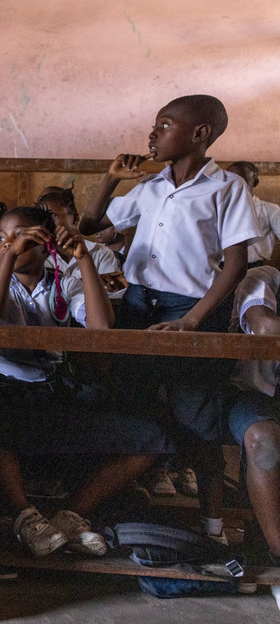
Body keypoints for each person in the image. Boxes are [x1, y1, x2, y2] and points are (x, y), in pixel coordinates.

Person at [78, 94, 259, 545]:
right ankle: (117, 509)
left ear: (199, 134)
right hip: (141, 305)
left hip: (190, 309)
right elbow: (88, 226)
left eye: (163, 125)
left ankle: (212, 527)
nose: (152, 133)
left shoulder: (227, 188)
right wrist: (110, 178)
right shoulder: (152, 186)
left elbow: (236, 264)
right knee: (129, 405)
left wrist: (196, 319)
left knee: (197, 413)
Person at [0, 206, 168, 557]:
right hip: (3, 384)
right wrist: (10, 256)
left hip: (54, 389)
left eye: (22, 240)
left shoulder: (67, 283)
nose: (8, 246)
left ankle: (69, 516)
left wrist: (84, 259)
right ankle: (26, 518)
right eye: (1, 239)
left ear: (47, 245)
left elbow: (101, 327)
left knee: (149, 438)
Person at [225, 265, 280, 567]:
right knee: (263, 440)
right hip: (253, 396)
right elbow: (267, 328)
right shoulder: (264, 278)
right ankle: (277, 549)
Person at [35, 186, 124, 292]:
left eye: (52, 216)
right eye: (42, 218)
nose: (47, 223)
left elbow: (111, 293)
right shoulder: (37, 256)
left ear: (75, 219)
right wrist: (95, 281)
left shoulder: (101, 253)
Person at [227, 161, 280, 269]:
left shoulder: (270, 210)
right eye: (229, 178)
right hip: (220, 269)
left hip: (254, 268)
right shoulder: (217, 208)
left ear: (255, 181)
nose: (235, 183)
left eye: (242, 178)